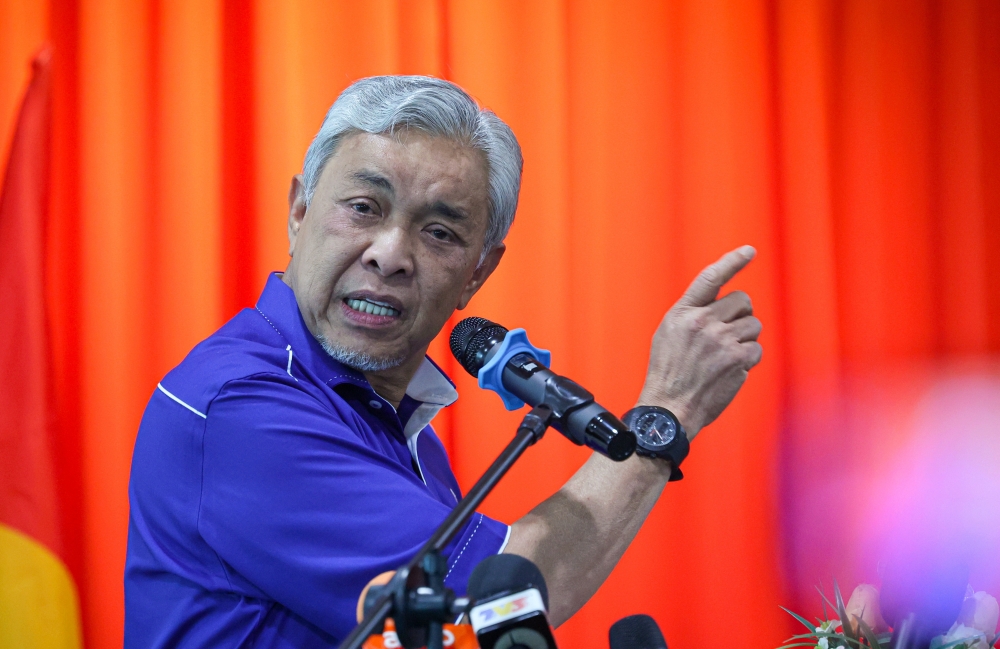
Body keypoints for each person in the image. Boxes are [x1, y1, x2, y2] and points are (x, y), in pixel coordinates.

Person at [124, 76, 762, 648]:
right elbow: (497, 596)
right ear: (299, 212)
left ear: (477, 275)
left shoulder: (395, 422)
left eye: (439, 232)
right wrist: (668, 409)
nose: (391, 254)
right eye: (364, 208)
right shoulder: (241, 404)